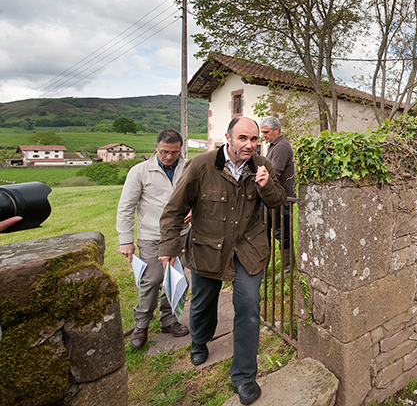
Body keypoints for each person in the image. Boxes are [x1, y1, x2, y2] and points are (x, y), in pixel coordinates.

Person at [159, 117, 285, 406]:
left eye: (254, 139)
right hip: (207, 247)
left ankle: (244, 376)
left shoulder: (260, 164)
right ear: (228, 137)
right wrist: (168, 247)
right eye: (243, 138)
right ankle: (199, 340)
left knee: (249, 307)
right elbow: (175, 209)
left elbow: (277, 201)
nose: (249, 145)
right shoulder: (202, 165)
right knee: (203, 302)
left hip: (247, 249)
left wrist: (266, 186)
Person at [116, 130, 190, 349]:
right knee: (152, 279)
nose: (169, 157)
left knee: (174, 277)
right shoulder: (139, 171)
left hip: (180, 234)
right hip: (151, 235)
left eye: (174, 152)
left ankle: (168, 320)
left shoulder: (188, 169)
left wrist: (193, 211)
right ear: (156, 147)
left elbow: (199, 195)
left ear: (181, 150)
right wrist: (125, 240)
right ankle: (141, 324)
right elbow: (126, 207)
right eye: (164, 152)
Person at [259, 116, 295, 274]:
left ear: (277, 130)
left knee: (282, 234)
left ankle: (288, 269)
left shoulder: (281, 147)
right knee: (264, 232)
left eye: (266, 132)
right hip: (270, 198)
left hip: (280, 199)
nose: (264, 135)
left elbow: (275, 173)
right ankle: (262, 267)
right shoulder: (274, 145)